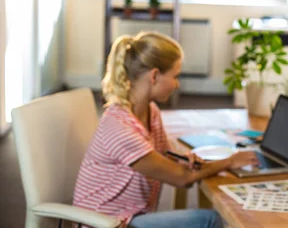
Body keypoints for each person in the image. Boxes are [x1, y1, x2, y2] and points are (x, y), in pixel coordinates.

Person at [73, 32, 258, 228]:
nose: (177, 84)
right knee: (209, 221)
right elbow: (181, 178)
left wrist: (185, 160)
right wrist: (230, 161)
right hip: (109, 225)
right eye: (175, 76)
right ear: (154, 76)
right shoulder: (119, 127)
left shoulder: (150, 112)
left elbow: (169, 160)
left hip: (128, 219)